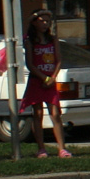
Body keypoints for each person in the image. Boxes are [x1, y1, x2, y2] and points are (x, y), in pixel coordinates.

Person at [22, 9, 70, 159]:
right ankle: (41, 148)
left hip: (51, 80)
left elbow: (59, 60)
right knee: (38, 114)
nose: (44, 24)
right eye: (41, 21)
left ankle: (62, 148)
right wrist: (43, 78)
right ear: (34, 23)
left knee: (55, 114)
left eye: (47, 21)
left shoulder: (52, 39)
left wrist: (53, 77)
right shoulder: (30, 41)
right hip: (37, 80)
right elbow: (30, 64)